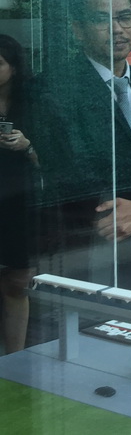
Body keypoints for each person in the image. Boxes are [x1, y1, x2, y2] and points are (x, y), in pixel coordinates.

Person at [31, 0, 131, 294]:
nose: (117, 29)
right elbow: (72, 179)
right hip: (83, 253)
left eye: (125, 17)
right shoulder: (53, 89)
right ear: (78, 30)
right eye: (101, 20)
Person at [0, 35, 39, 353]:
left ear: (14, 67)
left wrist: (27, 146)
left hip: (19, 202)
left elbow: (56, 158)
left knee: (17, 281)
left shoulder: (32, 103)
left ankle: (16, 357)